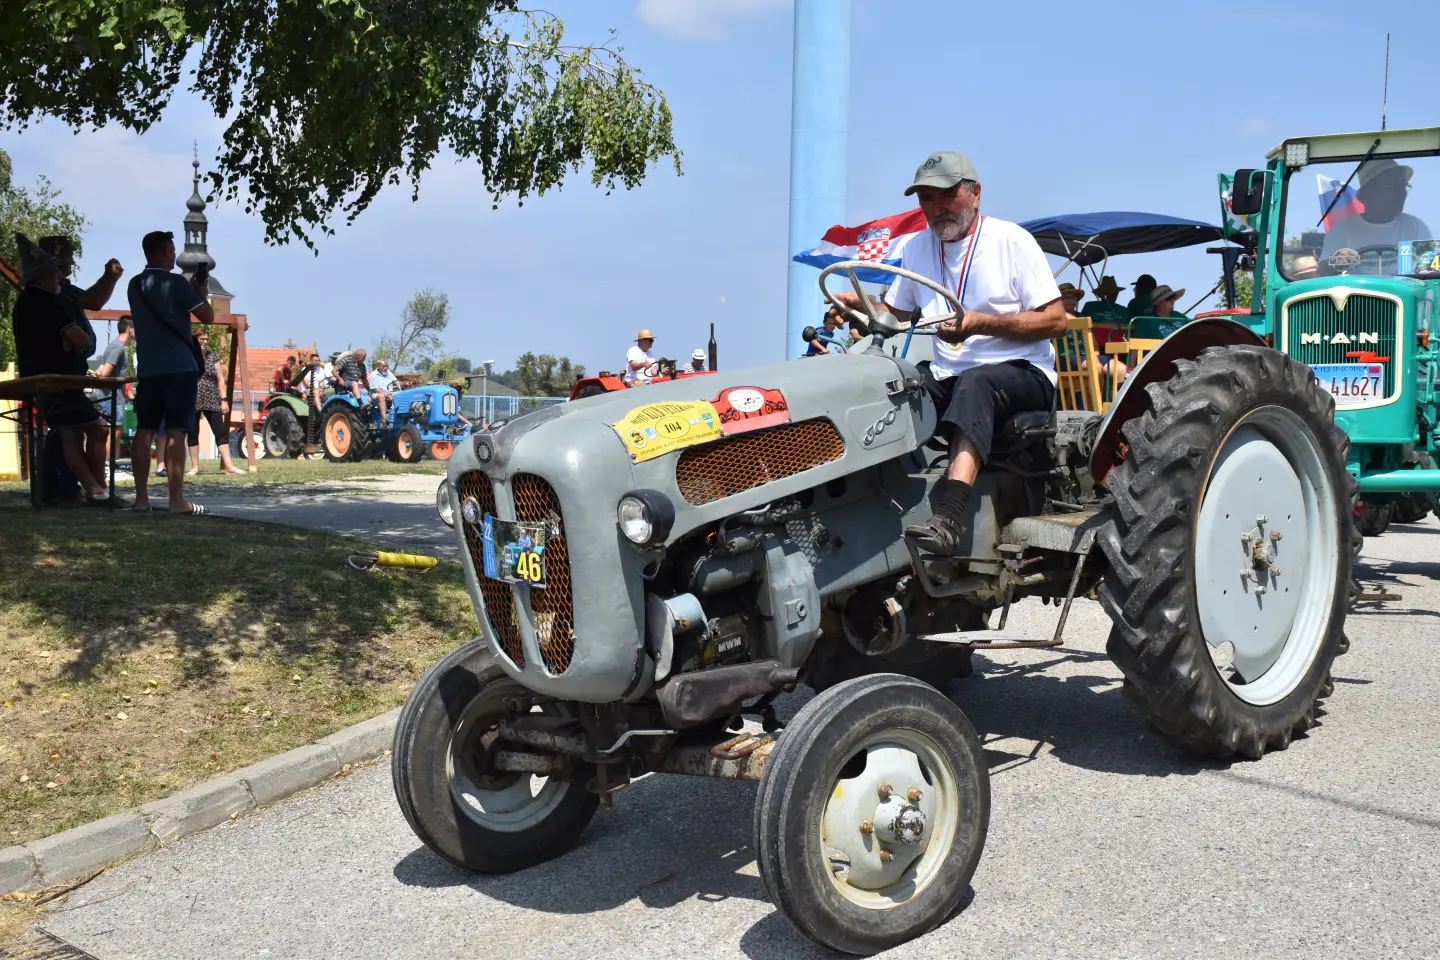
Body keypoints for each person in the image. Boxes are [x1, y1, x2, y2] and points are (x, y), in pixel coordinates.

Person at [828, 151, 1064, 552]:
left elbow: (1055, 321)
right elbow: (895, 313)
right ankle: (862, 502)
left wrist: (980, 322)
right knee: (890, 383)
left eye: (947, 195)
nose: (937, 208)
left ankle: (949, 518)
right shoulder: (917, 247)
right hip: (948, 373)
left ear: (975, 194)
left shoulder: (1012, 241)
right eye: (927, 199)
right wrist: (857, 305)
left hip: (1024, 372)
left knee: (975, 383)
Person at [10, 234, 117, 505]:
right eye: (58, 266)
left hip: (50, 379)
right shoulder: (49, 301)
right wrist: (72, 343)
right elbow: (81, 339)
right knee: (94, 430)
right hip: (59, 381)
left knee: (68, 432)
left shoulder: (29, 300)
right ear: (48, 270)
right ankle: (98, 491)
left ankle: (88, 491)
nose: (62, 271)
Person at [126, 229, 214, 514]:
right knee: (177, 432)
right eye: (172, 250)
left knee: (144, 430)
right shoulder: (176, 283)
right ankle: (176, 500)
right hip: (179, 367)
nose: (174, 254)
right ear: (166, 251)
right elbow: (207, 316)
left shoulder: (134, 285)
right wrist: (200, 293)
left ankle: (141, 500)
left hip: (149, 369)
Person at [1322, 159, 1432, 271]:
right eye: (1394, 186)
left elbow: (1429, 271)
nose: (1403, 192)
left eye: (1404, 186)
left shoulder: (1415, 227)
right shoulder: (1341, 230)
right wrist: (1338, 261)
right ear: (1368, 193)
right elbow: (1321, 273)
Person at [186, 328, 247, 476]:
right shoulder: (188, 356)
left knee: (220, 431)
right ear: (195, 340)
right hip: (192, 399)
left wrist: (224, 400)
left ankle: (229, 465)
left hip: (212, 399)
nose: (205, 342)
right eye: (202, 339)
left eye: (207, 339)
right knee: (193, 433)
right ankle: (195, 467)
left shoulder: (213, 357)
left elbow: (220, 380)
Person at [88, 316, 134, 464]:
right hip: (111, 396)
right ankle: (108, 463)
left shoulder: (116, 346)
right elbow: (106, 371)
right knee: (113, 431)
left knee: (116, 431)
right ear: (129, 329)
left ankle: (114, 462)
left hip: (115, 396)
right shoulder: (118, 347)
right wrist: (100, 372)